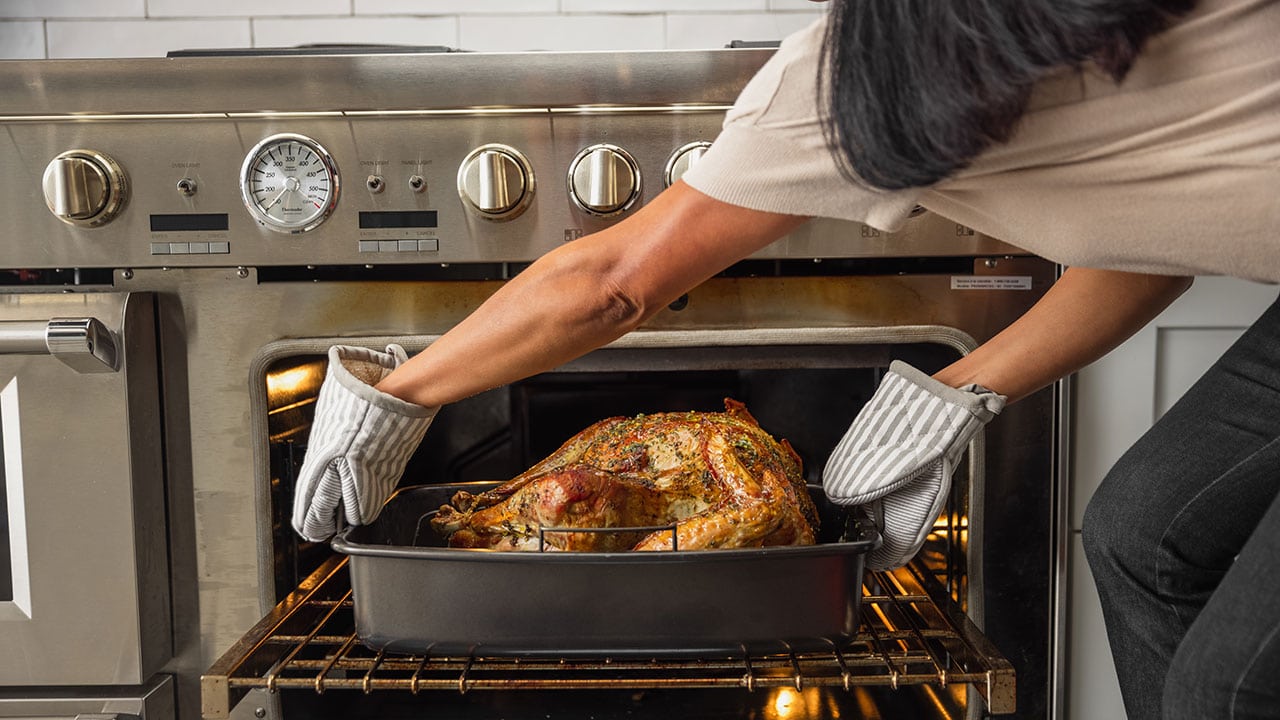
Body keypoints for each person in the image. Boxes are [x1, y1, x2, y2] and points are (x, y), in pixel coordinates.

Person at [291, 0, 1280, 717]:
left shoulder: (850, 81)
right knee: (1137, 537)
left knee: (1225, 686)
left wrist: (394, 399)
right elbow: (1157, 238)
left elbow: (611, 283)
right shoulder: (1015, 31)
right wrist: (954, 393)